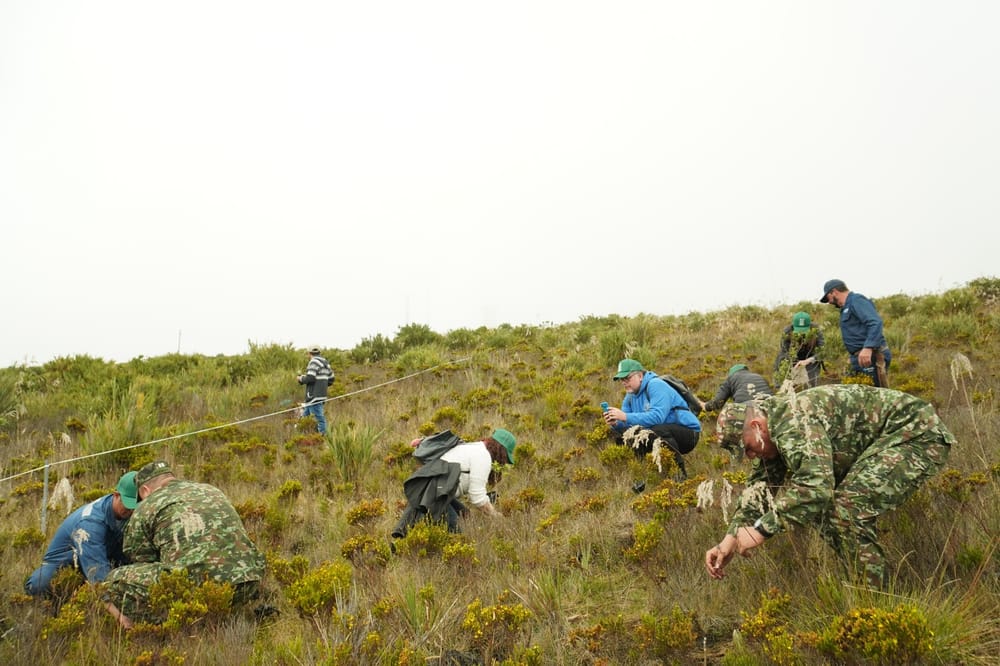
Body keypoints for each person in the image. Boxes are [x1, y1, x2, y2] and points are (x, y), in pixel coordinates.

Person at [705, 384, 954, 588]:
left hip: (914, 434)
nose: (749, 457)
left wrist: (760, 530)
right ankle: (864, 585)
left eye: (747, 448)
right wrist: (729, 539)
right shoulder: (771, 431)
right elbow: (760, 488)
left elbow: (816, 487)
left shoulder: (793, 421)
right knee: (822, 510)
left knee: (845, 508)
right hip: (885, 443)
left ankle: (877, 601)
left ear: (757, 426)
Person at [102, 461, 266, 628]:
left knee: (111, 581)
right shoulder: (211, 490)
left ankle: (162, 624)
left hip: (199, 589)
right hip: (248, 583)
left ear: (145, 490)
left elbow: (139, 557)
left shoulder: (148, 504)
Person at [25, 472, 139, 597]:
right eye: (128, 505)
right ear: (116, 495)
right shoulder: (90, 523)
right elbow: (97, 572)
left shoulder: (128, 512)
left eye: (136, 505)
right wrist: (115, 609)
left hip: (105, 554)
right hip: (67, 563)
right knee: (39, 584)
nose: (132, 510)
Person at [392, 429, 516, 537]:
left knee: (465, 516)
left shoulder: (474, 447)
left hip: (435, 488)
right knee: (457, 535)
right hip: (435, 493)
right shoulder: (483, 457)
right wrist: (496, 516)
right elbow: (477, 498)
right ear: (501, 452)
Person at [604, 359, 701, 480]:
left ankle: (679, 475)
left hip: (689, 433)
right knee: (624, 437)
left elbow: (657, 417)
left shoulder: (656, 385)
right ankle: (642, 477)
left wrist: (624, 416)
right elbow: (627, 424)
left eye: (627, 378)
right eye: (621, 380)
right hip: (663, 432)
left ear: (640, 375)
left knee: (656, 430)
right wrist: (616, 423)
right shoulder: (629, 397)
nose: (624, 382)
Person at [820, 279, 891, 387]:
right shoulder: (846, 307)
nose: (829, 302)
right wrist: (854, 355)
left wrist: (868, 348)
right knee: (859, 397)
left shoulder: (857, 300)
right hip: (859, 358)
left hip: (871, 356)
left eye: (828, 297)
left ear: (834, 292)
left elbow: (875, 322)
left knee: (875, 395)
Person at [773, 311, 825, 388]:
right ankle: (781, 388)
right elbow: (785, 351)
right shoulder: (787, 332)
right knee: (781, 360)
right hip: (792, 356)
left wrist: (808, 360)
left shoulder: (816, 331)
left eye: (804, 330)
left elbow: (822, 352)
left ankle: (811, 389)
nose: (801, 333)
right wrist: (794, 363)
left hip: (810, 357)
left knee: (812, 383)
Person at [702, 364, 773, 413]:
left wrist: (705, 406)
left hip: (747, 409)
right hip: (770, 407)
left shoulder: (730, 379)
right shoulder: (759, 377)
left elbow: (718, 402)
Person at [297, 346, 334, 434]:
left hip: (313, 396)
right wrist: (323, 385)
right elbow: (331, 379)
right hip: (321, 395)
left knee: (319, 419)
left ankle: (322, 437)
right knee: (304, 418)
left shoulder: (313, 362)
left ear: (309, 353)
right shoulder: (325, 362)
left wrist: (300, 379)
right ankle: (300, 435)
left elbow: (310, 378)